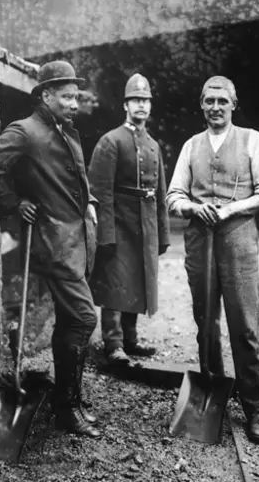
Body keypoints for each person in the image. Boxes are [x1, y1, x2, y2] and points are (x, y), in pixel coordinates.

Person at [0, 61, 101, 438]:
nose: (74, 103)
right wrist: (13, 204)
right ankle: (67, 408)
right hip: (52, 243)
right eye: (66, 96)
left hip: (76, 241)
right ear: (45, 95)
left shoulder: (66, 130)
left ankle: (69, 402)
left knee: (69, 320)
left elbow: (72, 181)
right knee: (83, 318)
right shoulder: (25, 132)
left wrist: (88, 203)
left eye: (76, 96)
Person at [166, 75, 259, 445]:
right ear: (202, 105)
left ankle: (254, 407)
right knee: (206, 324)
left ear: (233, 105)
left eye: (222, 101)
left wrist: (229, 211)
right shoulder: (191, 146)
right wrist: (196, 209)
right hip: (200, 241)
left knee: (244, 327)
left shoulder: (252, 140)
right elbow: (173, 195)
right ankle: (211, 399)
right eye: (209, 101)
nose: (216, 107)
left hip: (238, 241)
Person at [88, 73, 170, 365]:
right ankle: (113, 342)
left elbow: (160, 194)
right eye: (135, 100)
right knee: (115, 281)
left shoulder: (153, 145)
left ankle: (131, 340)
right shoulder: (111, 141)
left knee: (138, 280)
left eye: (145, 101)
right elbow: (99, 193)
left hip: (144, 226)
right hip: (119, 223)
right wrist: (105, 234)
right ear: (125, 105)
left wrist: (162, 233)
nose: (141, 106)